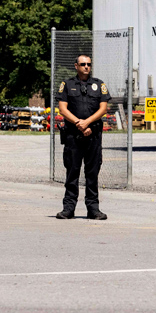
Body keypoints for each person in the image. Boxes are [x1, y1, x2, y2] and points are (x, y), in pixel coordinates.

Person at [55, 54, 110, 220]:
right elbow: (63, 109)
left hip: (93, 135)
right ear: (76, 66)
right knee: (72, 172)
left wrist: (87, 123)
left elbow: (103, 108)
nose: (86, 67)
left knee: (92, 173)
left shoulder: (99, 84)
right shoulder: (67, 85)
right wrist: (79, 123)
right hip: (73, 135)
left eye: (89, 64)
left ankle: (93, 209)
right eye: (83, 64)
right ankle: (68, 209)